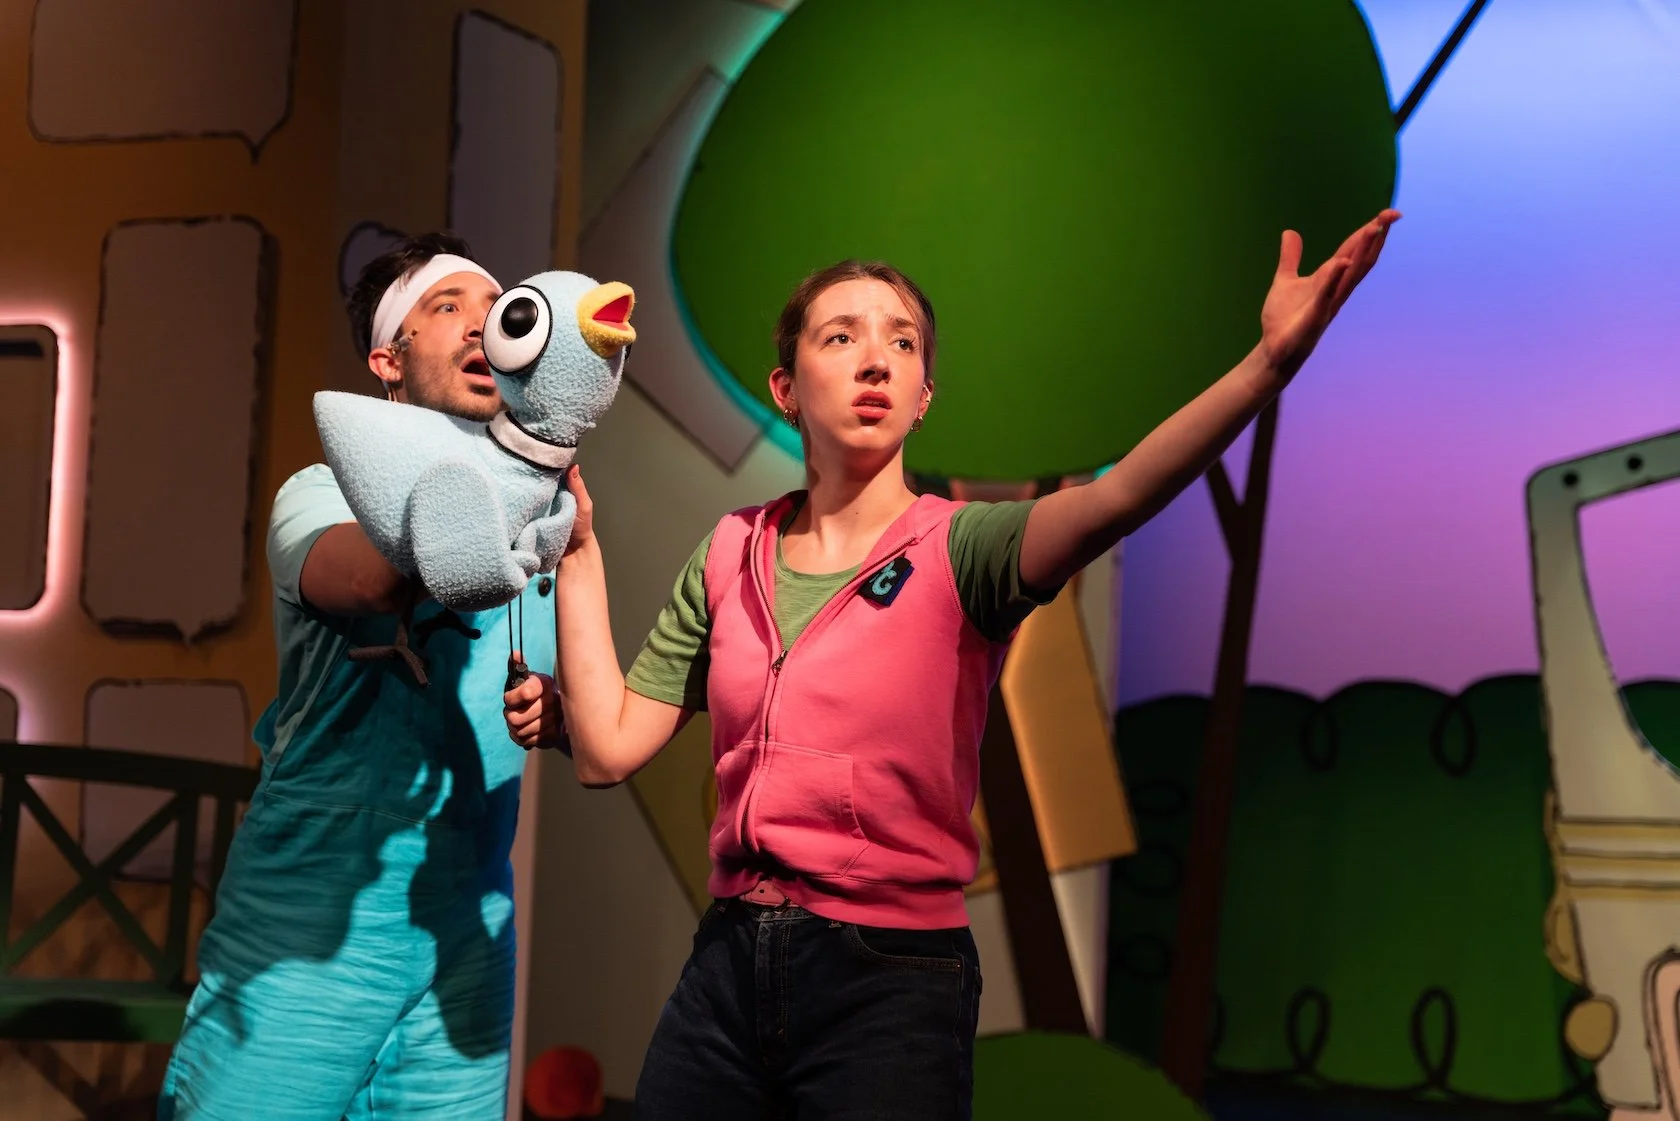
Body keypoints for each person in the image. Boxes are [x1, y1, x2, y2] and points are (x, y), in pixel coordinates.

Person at [504, 210, 1399, 1118]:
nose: (876, 360)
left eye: (902, 343)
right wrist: (579, 552)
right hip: (728, 966)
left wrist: (1267, 366)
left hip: (889, 980)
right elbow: (608, 749)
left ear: (924, 395)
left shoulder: (962, 550)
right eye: (841, 336)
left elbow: (1123, 494)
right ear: (786, 387)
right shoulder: (732, 549)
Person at [161, 233, 555, 1121]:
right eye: (447, 307)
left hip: (465, 934)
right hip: (309, 920)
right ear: (388, 359)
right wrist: (507, 476)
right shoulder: (317, 492)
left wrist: (555, 708)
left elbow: (563, 708)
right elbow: (375, 582)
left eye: (496, 309)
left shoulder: (543, 531)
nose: (482, 325)